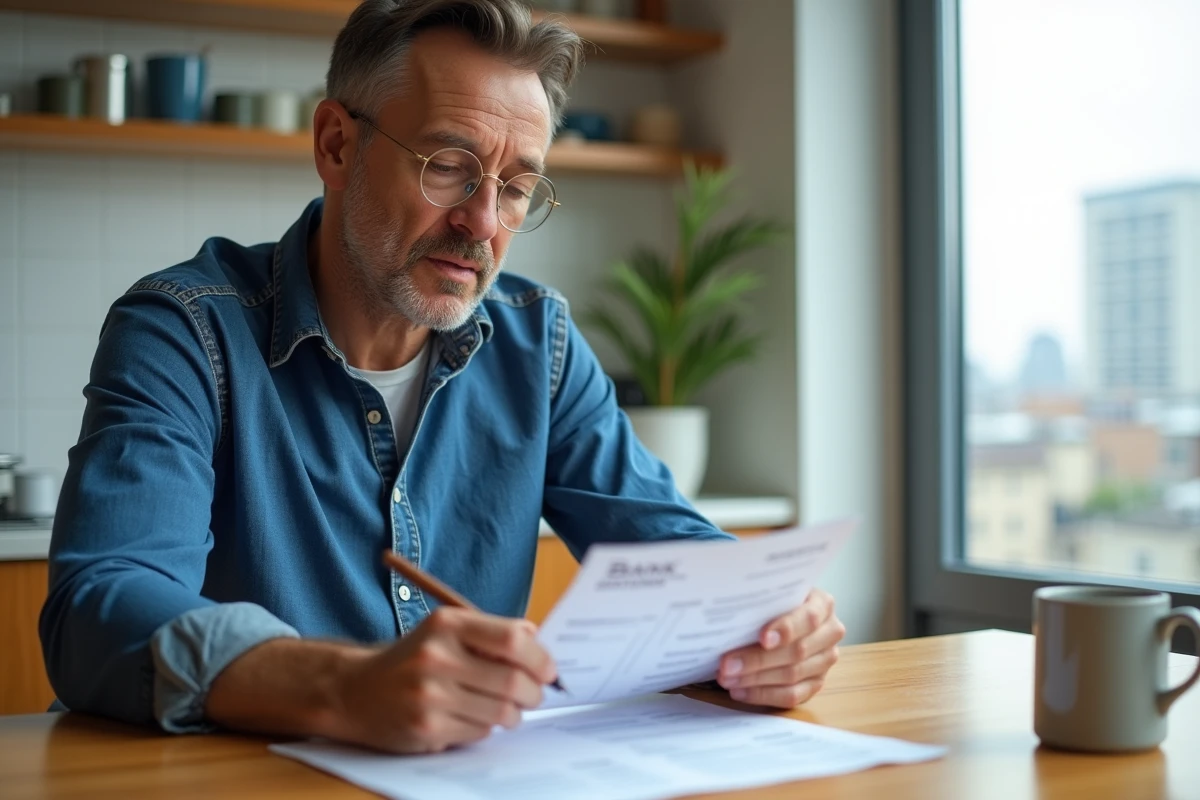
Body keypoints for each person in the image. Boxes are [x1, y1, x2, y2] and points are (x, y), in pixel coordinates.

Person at [39, 0, 845, 755]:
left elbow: (672, 550)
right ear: (336, 145)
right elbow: (99, 608)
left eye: (518, 187)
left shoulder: (541, 344)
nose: (484, 223)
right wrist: (343, 685)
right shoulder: (185, 330)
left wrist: (769, 624)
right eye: (449, 165)